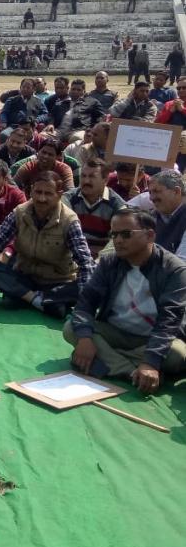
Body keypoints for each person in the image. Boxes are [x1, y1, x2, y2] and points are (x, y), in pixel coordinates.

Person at [64, 208, 185, 391]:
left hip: (150, 338)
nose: (118, 240)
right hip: (116, 331)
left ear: (150, 235)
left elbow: (169, 321)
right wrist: (85, 339)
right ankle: (131, 372)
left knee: (178, 356)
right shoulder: (108, 263)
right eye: (114, 234)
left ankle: (106, 362)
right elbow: (85, 304)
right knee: (72, 329)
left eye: (126, 234)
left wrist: (151, 361)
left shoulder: (174, 270)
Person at [0, 172, 95, 318]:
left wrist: (85, 305)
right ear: (31, 190)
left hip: (57, 282)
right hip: (25, 276)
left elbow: (85, 262)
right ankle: (40, 301)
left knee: (92, 283)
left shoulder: (69, 221)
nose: (42, 198)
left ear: (59, 194)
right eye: (38, 192)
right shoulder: (19, 213)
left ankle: (26, 298)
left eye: (48, 193)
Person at [62, 158, 126, 259]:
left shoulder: (117, 205)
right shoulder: (68, 199)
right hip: (70, 259)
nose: (86, 181)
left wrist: (98, 262)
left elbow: (116, 242)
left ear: (105, 180)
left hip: (101, 262)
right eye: (83, 176)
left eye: (92, 176)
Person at [146, 170, 186, 259]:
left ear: (176, 191)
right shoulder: (151, 216)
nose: (151, 198)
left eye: (156, 191)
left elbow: (182, 265)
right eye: (150, 192)